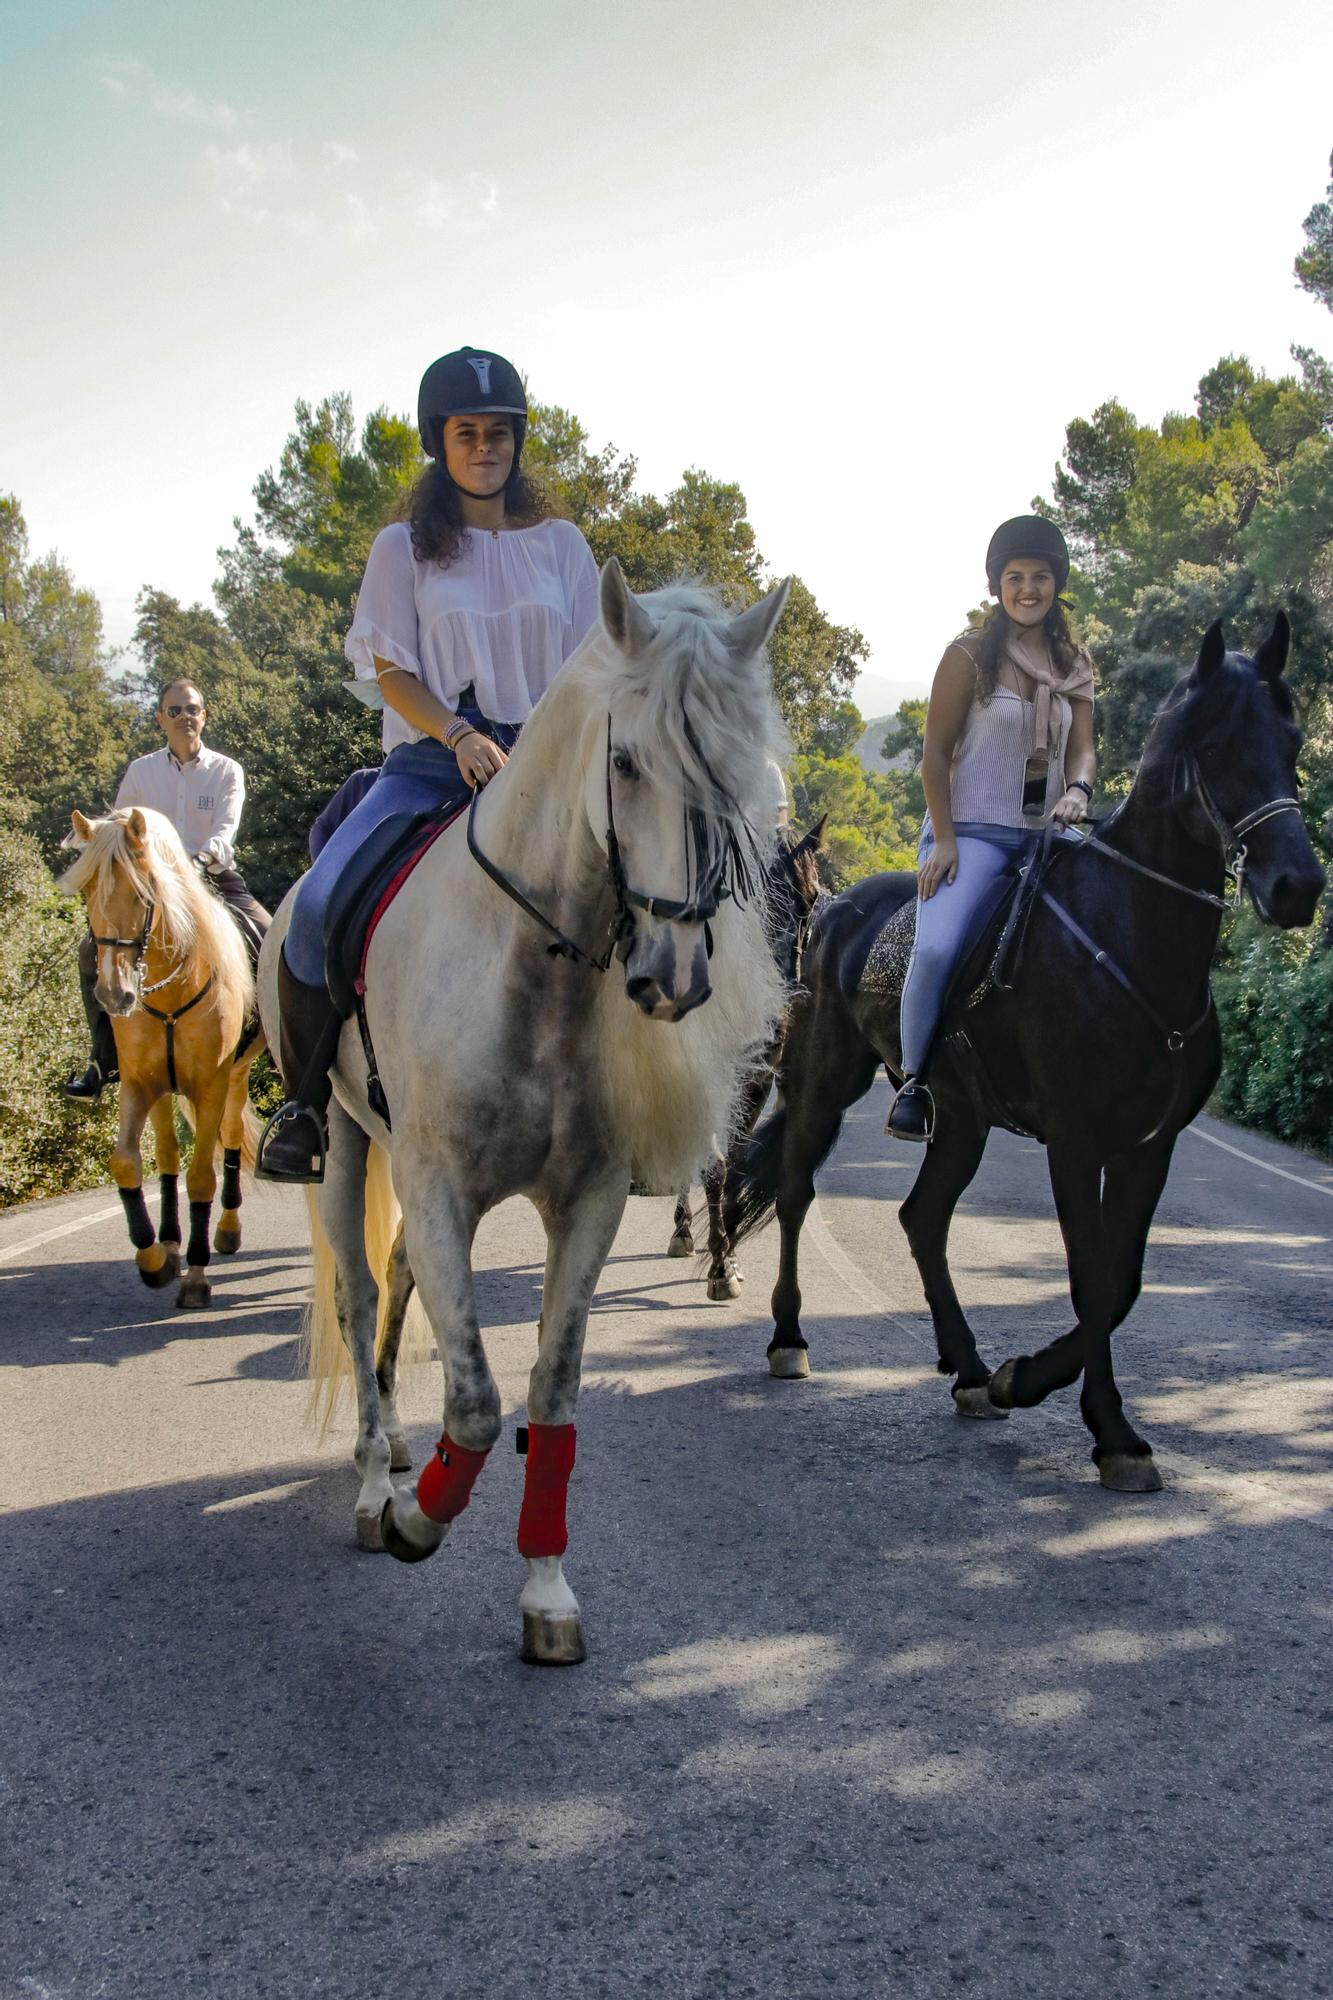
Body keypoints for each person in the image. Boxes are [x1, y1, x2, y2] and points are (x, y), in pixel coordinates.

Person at [255, 345, 600, 1182]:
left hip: (546, 773)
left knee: (654, 891)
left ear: (518, 441)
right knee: (317, 907)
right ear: (439, 443)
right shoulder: (403, 548)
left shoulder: (561, 546)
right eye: (466, 432)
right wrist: (456, 735)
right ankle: (302, 1105)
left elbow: (595, 664)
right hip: (431, 766)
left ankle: (645, 1100)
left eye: (499, 433)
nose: (484, 447)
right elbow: (390, 669)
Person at [886, 515, 1096, 1141]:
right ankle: (915, 1081)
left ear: (1056, 584)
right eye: (1015, 578)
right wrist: (943, 839)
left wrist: (1079, 790)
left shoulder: (1074, 663)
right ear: (995, 586)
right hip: (971, 832)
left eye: (1039, 577)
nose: (1027, 589)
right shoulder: (968, 656)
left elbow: (1082, 749)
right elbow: (933, 755)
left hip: (1047, 835)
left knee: (1108, 924)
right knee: (939, 948)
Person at [64, 678, 269, 1102]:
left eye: (192, 709)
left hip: (210, 877)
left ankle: (284, 1060)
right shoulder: (142, 771)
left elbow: (225, 832)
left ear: (204, 716)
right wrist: (87, 838)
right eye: (174, 711)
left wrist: (196, 862)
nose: (185, 717)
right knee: (90, 950)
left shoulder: (227, 770)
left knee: (270, 939)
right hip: (150, 885)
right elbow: (119, 829)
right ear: (161, 719)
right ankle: (102, 1060)